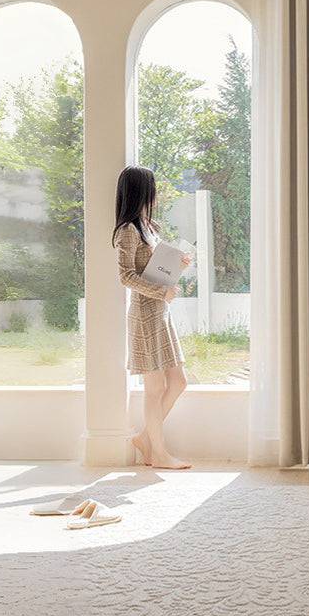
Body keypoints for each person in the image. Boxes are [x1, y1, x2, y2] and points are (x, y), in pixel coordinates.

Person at [112, 165, 192, 469]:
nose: (155, 192)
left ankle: (145, 439)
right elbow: (126, 276)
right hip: (145, 315)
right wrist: (161, 291)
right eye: (152, 186)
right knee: (155, 388)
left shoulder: (150, 226)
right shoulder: (127, 231)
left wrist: (177, 265)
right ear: (141, 190)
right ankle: (157, 453)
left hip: (161, 313)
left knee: (178, 382)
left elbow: (152, 268)